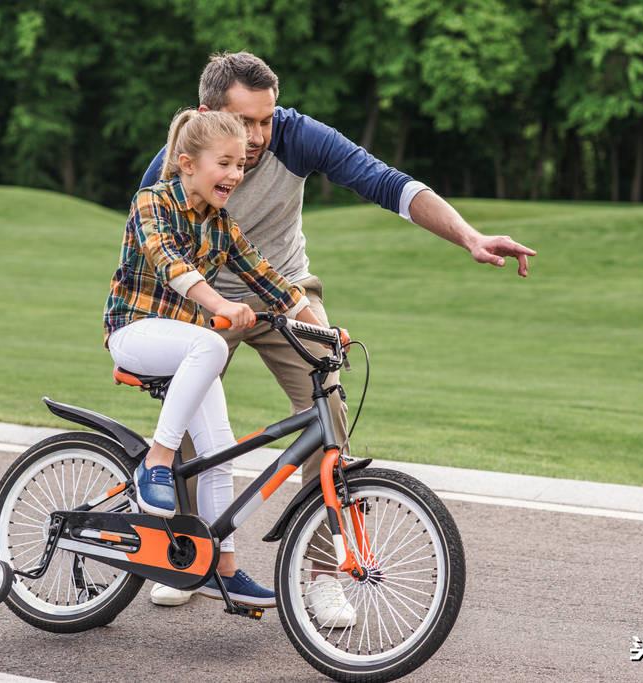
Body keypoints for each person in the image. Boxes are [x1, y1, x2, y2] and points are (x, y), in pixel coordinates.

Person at [141, 52, 537, 623]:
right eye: (243, 121)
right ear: (208, 114)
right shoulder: (175, 161)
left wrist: (468, 236)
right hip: (201, 298)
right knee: (180, 422)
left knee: (328, 413)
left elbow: (386, 182)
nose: (256, 137)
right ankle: (183, 555)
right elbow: (147, 249)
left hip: (286, 291)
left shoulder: (297, 137)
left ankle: (326, 574)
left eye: (264, 120)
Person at [104, 108, 325, 608]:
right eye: (224, 163)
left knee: (221, 451)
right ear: (186, 163)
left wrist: (321, 327)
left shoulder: (222, 225)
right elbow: (170, 264)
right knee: (206, 341)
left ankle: (221, 568)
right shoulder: (151, 202)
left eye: (240, 166)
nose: (235, 174)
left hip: (185, 341)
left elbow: (270, 278)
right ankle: (157, 462)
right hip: (134, 331)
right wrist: (222, 305)